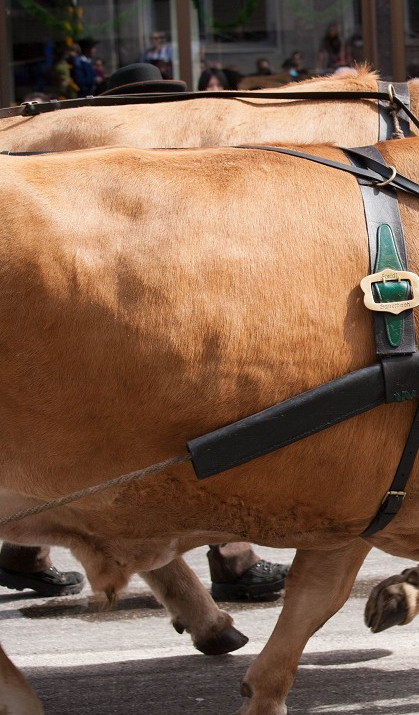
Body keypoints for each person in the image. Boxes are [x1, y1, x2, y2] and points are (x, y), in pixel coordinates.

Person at [0, 61, 290, 602]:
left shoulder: (68, 148)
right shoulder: (147, 157)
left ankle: (24, 551)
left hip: (78, 314)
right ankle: (232, 559)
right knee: (199, 425)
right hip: (130, 312)